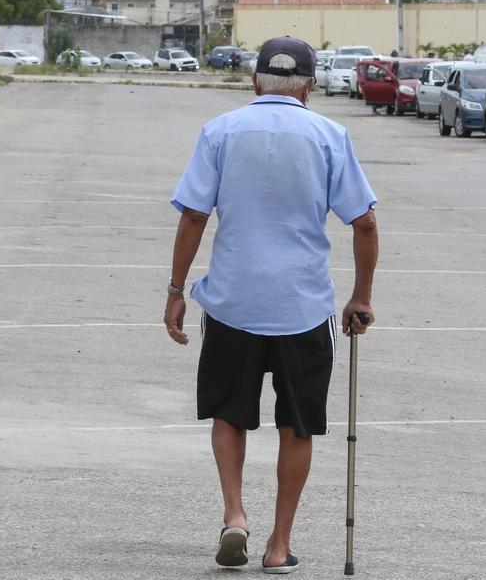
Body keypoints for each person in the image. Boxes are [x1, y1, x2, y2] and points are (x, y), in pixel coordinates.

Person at [163, 36, 378, 575]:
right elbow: (365, 222)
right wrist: (361, 297)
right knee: (297, 425)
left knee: (228, 413)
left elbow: (193, 216)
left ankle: (235, 515)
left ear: (254, 81)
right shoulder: (331, 135)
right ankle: (279, 546)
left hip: (233, 301)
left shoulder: (221, 131)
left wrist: (174, 291)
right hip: (302, 307)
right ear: (309, 87)